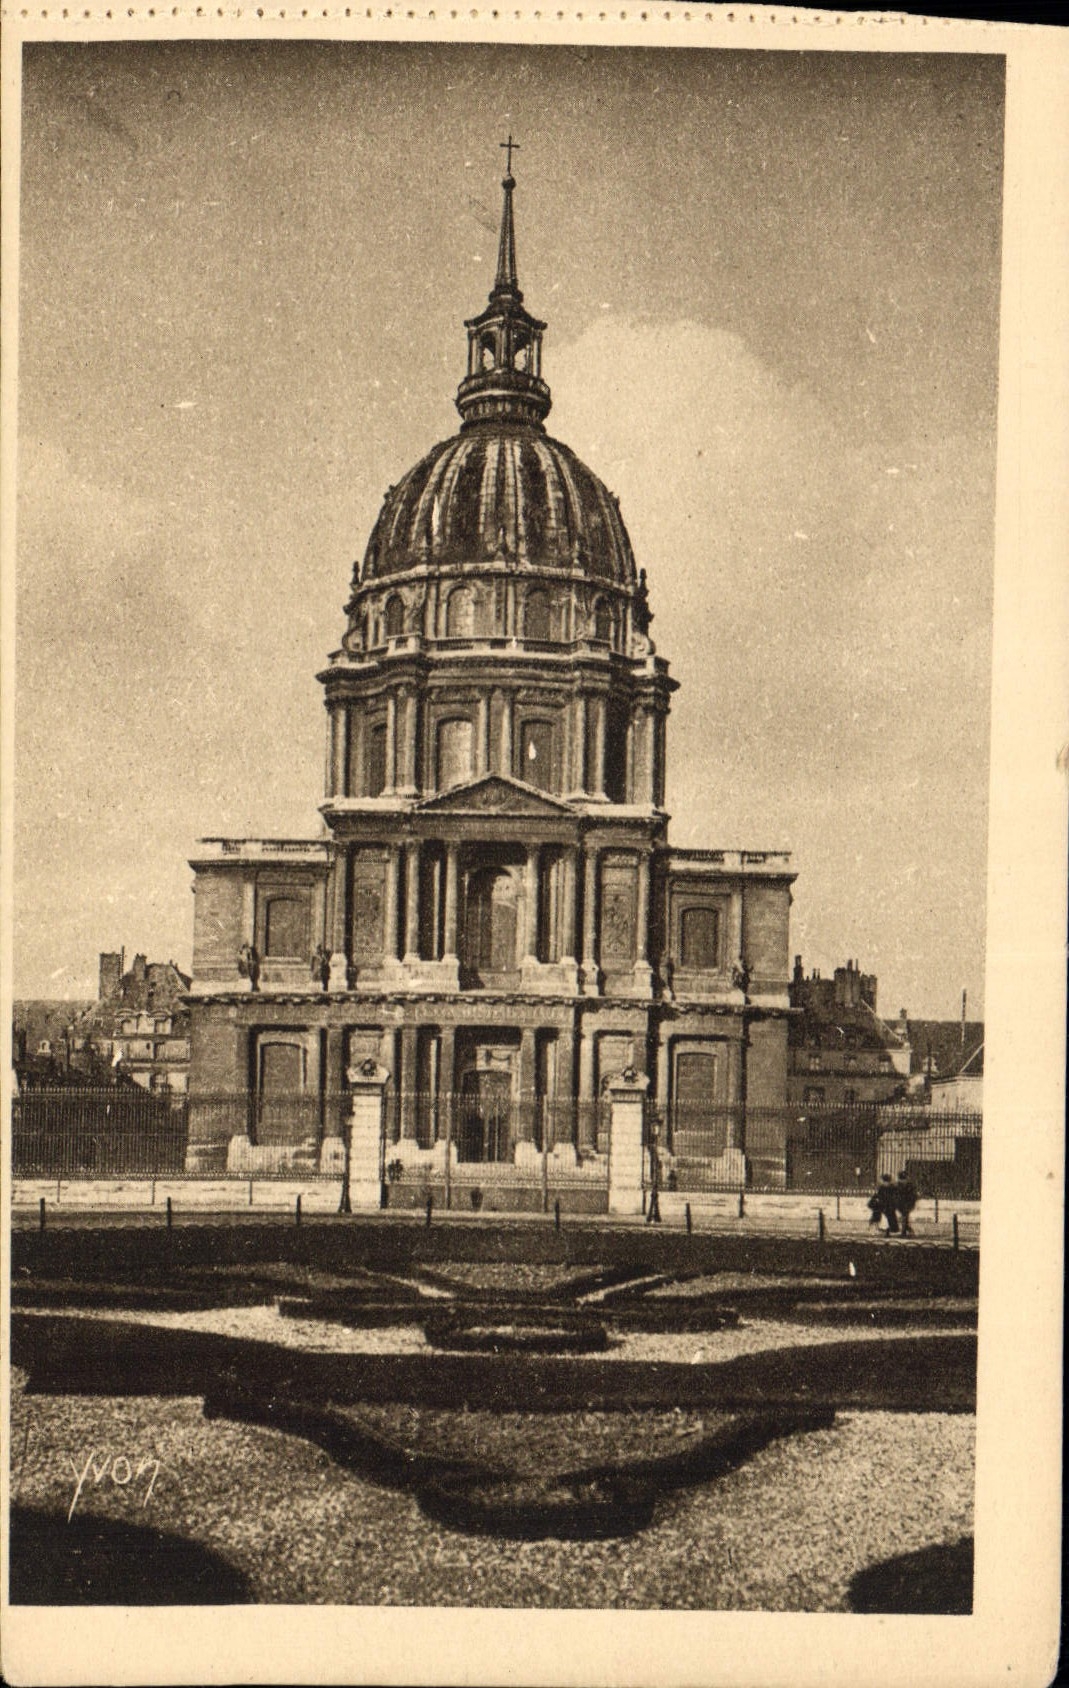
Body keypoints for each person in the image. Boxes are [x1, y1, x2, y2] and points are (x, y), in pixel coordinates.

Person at [646, 1122, 663, 1224]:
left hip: (655, 1177)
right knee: (654, 1196)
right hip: (654, 1177)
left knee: (654, 1196)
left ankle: (653, 1215)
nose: (655, 1130)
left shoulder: (654, 1147)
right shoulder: (652, 1147)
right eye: (654, 1128)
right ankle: (654, 1215)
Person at [894, 1169, 918, 1238]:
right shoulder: (910, 1184)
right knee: (905, 1217)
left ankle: (904, 1232)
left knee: (904, 1217)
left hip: (903, 1204)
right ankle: (908, 1230)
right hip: (906, 1204)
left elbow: (895, 1194)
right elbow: (914, 1195)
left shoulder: (898, 1185)